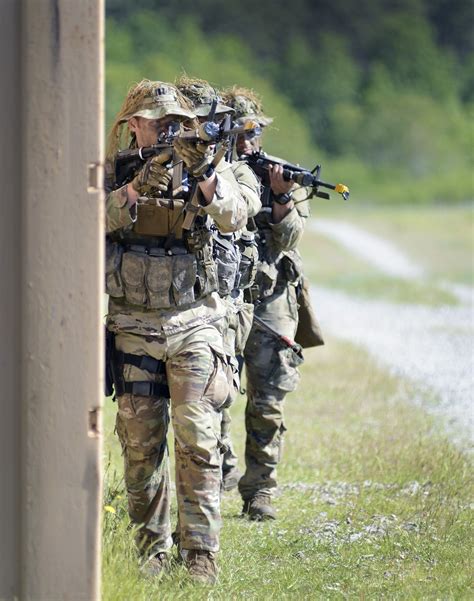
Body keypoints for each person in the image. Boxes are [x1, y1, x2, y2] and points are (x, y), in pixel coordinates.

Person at [104, 79, 247, 583]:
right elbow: (85, 222)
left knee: (199, 438)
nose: (163, 128)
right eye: (153, 120)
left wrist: (203, 170)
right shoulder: (111, 173)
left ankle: (201, 554)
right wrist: (136, 187)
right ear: (132, 125)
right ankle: (151, 552)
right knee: (141, 447)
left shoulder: (208, 164)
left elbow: (233, 215)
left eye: (172, 121)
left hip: (194, 324)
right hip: (132, 327)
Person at [222, 86, 309, 520]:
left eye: (254, 132)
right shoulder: (212, 171)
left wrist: (279, 197)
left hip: (270, 297)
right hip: (220, 295)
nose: (248, 141)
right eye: (239, 132)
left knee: (269, 398)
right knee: (211, 391)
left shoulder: (280, 173)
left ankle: (260, 491)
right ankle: (217, 469)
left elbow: (290, 237)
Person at [175, 76, 261, 492]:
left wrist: (205, 169)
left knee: (214, 399)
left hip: (216, 306)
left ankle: (219, 475)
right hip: (165, 307)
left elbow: (234, 212)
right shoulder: (153, 162)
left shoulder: (236, 171)